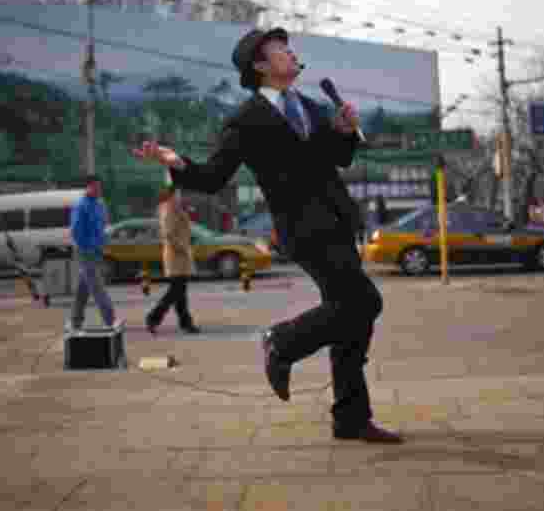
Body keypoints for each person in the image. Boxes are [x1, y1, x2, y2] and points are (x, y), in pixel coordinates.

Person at [133, 27, 401, 444]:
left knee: (353, 317)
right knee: (365, 301)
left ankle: (350, 417)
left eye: (291, 50)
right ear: (261, 66)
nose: (292, 54)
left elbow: (337, 159)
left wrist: (345, 132)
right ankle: (282, 341)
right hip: (302, 229)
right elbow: (211, 176)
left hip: (338, 221)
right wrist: (175, 161)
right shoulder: (246, 120)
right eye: (282, 51)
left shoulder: (311, 108)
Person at [147, 182, 201, 334]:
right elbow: (168, 233)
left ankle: (185, 323)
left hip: (180, 255)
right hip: (176, 255)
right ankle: (153, 317)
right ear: (171, 194)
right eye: (178, 193)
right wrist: (182, 248)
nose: (180, 195)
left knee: (179, 293)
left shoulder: (176, 208)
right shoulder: (168, 209)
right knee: (175, 292)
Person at [69, 175, 115, 330]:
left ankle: (76, 321)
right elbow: (76, 231)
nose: (98, 190)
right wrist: (89, 246)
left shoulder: (100, 204)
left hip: (97, 251)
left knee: (83, 289)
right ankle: (110, 320)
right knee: (97, 286)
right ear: (87, 187)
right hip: (85, 252)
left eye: (99, 187)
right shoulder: (81, 205)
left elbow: (103, 225)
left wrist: (104, 239)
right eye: (95, 187)